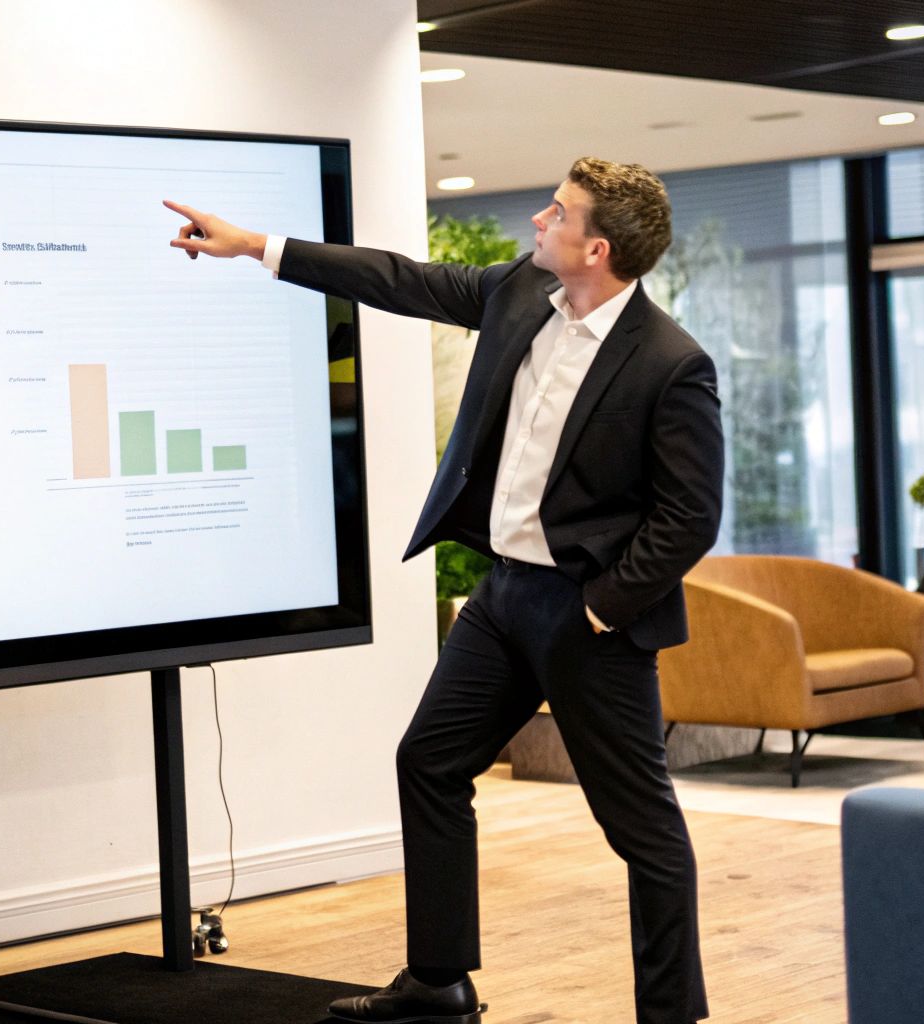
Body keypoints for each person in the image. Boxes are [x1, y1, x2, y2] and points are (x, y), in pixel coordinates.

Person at [165, 156, 723, 1024]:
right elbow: (400, 279)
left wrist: (600, 609)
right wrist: (258, 248)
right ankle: (438, 982)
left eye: (558, 213)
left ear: (597, 247)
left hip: (590, 617)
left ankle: (673, 1015)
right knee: (429, 761)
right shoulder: (517, 297)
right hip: (503, 602)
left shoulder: (669, 363)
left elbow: (689, 518)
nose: (539, 220)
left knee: (641, 831)